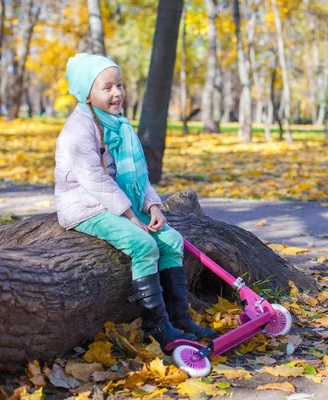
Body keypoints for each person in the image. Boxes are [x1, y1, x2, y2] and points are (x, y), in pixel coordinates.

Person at [54, 53, 216, 347]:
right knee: (143, 244)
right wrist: (131, 217)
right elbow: (95, 181)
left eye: (120, 85)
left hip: (118, 200)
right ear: (87, 95)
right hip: (86, 205)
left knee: (172, 241)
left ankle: (179, 319)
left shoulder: (120, 126)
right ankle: (156, 326)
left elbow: (138, 176)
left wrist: (152, 206)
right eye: (107, 87)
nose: (117, 93)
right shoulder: (78, 129)